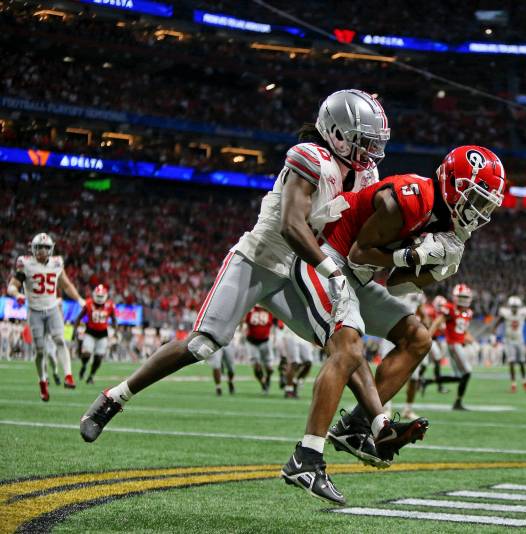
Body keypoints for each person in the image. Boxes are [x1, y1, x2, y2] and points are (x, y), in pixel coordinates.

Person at [80, 89, 413, 505]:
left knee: (345, 340)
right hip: (261, 260)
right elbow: (293, 226)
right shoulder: (311, 157)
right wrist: (331, 270)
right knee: (203, 343)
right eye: (363, 139)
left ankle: (368, 427)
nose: (370, 150)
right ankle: (115, 398)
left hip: (302, 269)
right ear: (337, 133)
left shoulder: (363, 175)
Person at [322, 145, 505, 459]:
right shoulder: (414, 196)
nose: (478, 212)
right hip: (329, 262)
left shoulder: (446, 226)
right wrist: (412, 255)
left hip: (356, 278)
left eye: (484, 204)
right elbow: (359, 254)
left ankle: (358, 422)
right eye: (475, 199)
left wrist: (437, 271)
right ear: (453, 184)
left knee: (419, 339)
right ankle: (313, 450)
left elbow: (396, 285)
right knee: (349, 345)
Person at [7, 233, 84, 401]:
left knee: (59, 340)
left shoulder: (56, 263)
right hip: (34, 311)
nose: (42, 251)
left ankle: (68, 375)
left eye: (46, 247)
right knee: (40, 350)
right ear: (33, 248)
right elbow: (12, 286)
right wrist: (16, 294)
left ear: (51, 249)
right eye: (39, 247)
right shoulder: (26, 263)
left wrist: (79, 299)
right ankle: (42, 382)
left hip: (52, 308)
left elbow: (66, 284)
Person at [440, 284, 476, 410]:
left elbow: (462, 330)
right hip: (453, 345)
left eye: (465, 297)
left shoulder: (468, 312)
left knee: (460, 375)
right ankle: (458, 402)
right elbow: (439, 321)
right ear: (455, 297)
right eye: (461, 296)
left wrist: (468, 338)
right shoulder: (450, 308)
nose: (464, 299)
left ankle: (429, 381)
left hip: (460, 345)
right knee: (467, 372)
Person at [74, 285, 117, 384]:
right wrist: (74, 330)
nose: (100, 298)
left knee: (98, 358)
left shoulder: (110, 305)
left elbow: (114, 319)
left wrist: (115, 331)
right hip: (90, 332)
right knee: (86, 354)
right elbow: (79, 317)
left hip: (103, 334)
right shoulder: (88, 303)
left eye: (102, 296)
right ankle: (84, 366)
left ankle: (91, 376)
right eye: (98, 296)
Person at [493, 295, 526, 393]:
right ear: (509, 306)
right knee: (511, 362)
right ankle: (513, 384)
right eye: (513, 307)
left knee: (522, 362)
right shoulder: (505, 313)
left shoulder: (523, 313)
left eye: (516, 307)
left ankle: (525, 382)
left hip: (519, 340)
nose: (514, 309)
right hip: (508, 340)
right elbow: (496, 323)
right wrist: (493, 334)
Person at [243, 305, 274, 394]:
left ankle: (268, 377)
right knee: (256, 366)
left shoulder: (270, 309)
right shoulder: (250, 309)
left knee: (270, 368)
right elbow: (243, 320)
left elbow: (277, 322)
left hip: (265, 341)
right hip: (252, 342)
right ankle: (263, 384)